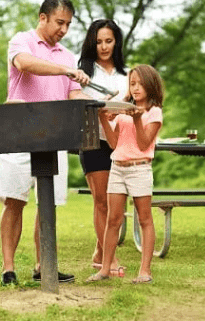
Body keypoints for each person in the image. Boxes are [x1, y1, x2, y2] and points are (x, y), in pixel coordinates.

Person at [0, 0, 91, 286]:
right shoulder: (21, 41)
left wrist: (99, 100)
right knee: (14, 201)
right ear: (43, 17)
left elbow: (73, 93)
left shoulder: (67, 55)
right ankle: (8, 268)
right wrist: (67, 70)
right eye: (60, 22)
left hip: (54, 135)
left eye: (68, 24)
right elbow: (25, 65)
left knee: (48, 203)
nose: (63, 29)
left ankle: (43, 265)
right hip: (19, 132)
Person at [86, 64, 164, 284]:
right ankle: (104, 270)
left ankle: (145, 271)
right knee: (113, 219)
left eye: (140, 83)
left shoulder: (154, 112)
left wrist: (137, 118)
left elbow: (143, 143)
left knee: (144, 218)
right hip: (118, 168)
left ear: (150, 85)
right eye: (132, 83)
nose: (136, 88)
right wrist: (103, 118)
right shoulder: (123, 111)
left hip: (140, 169)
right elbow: (113, 143)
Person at [78, 19, 128, 275]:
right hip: (93, 140)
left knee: (117, 204)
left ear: (116, 42)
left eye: (108, 41)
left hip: (122, 144)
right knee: (101, 202)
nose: (104, 46)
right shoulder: (83, 73)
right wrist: (98, 103)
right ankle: (111, 259)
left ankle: (100, 252)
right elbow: (73, 99)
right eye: (98, 42)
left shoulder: (127, 75)